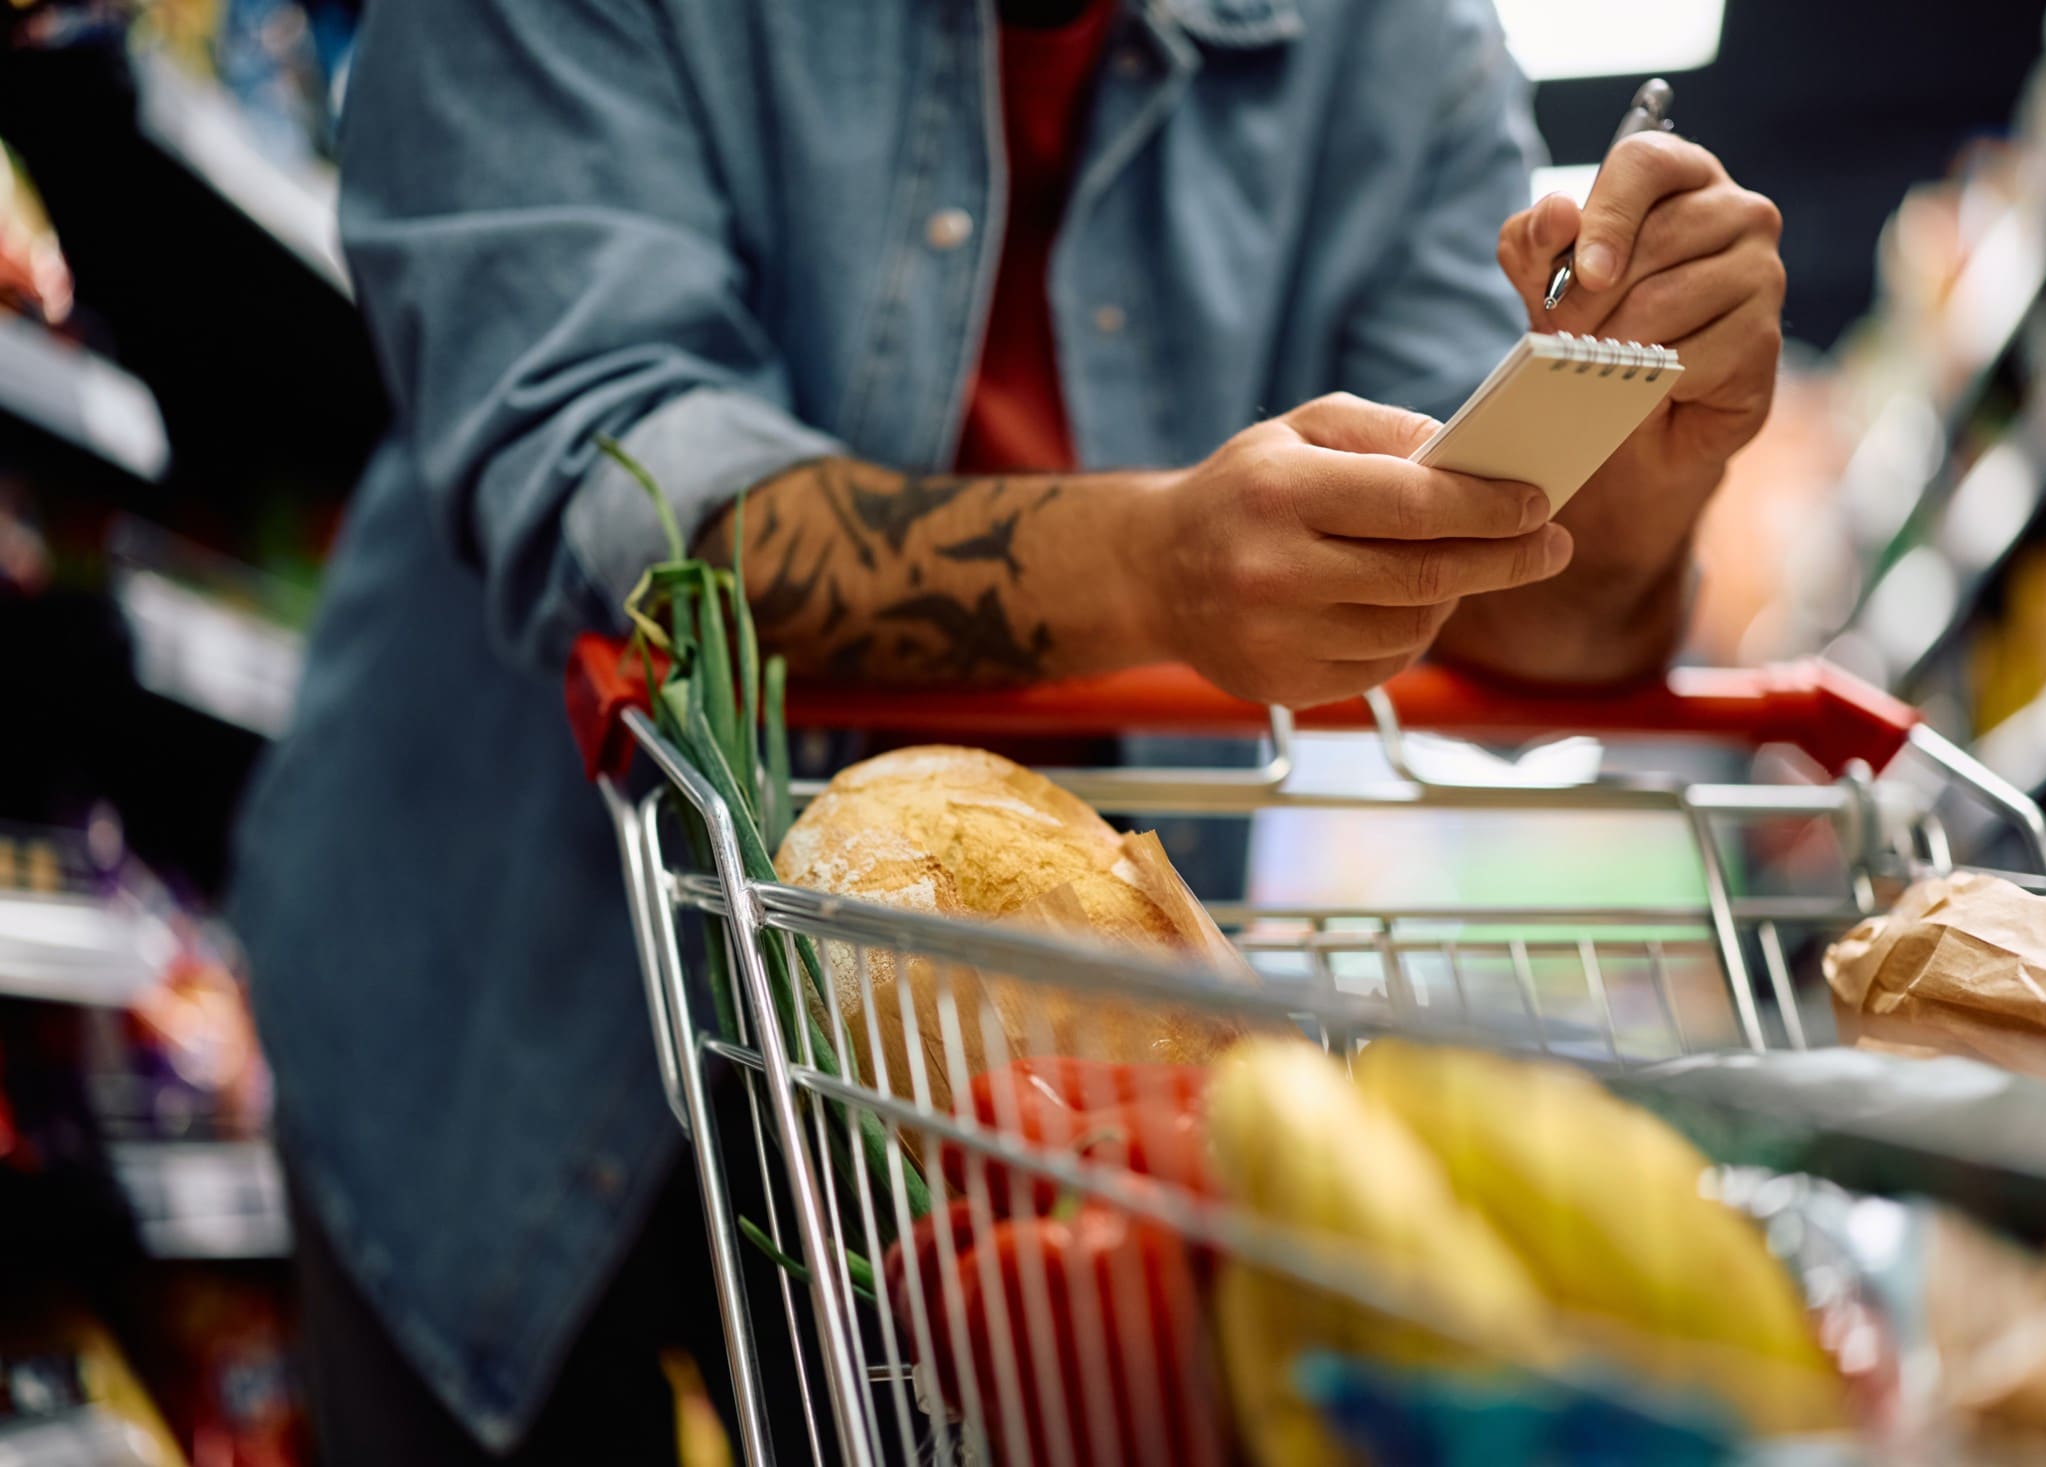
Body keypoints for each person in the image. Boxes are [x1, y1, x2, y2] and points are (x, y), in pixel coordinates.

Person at [229, 0, 1786, 1459]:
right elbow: (611, 486)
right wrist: (1151, 569)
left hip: (1060, 1132)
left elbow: (1528, 613)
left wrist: (1637, 456)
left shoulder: (1387, 40)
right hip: (512, 1021)